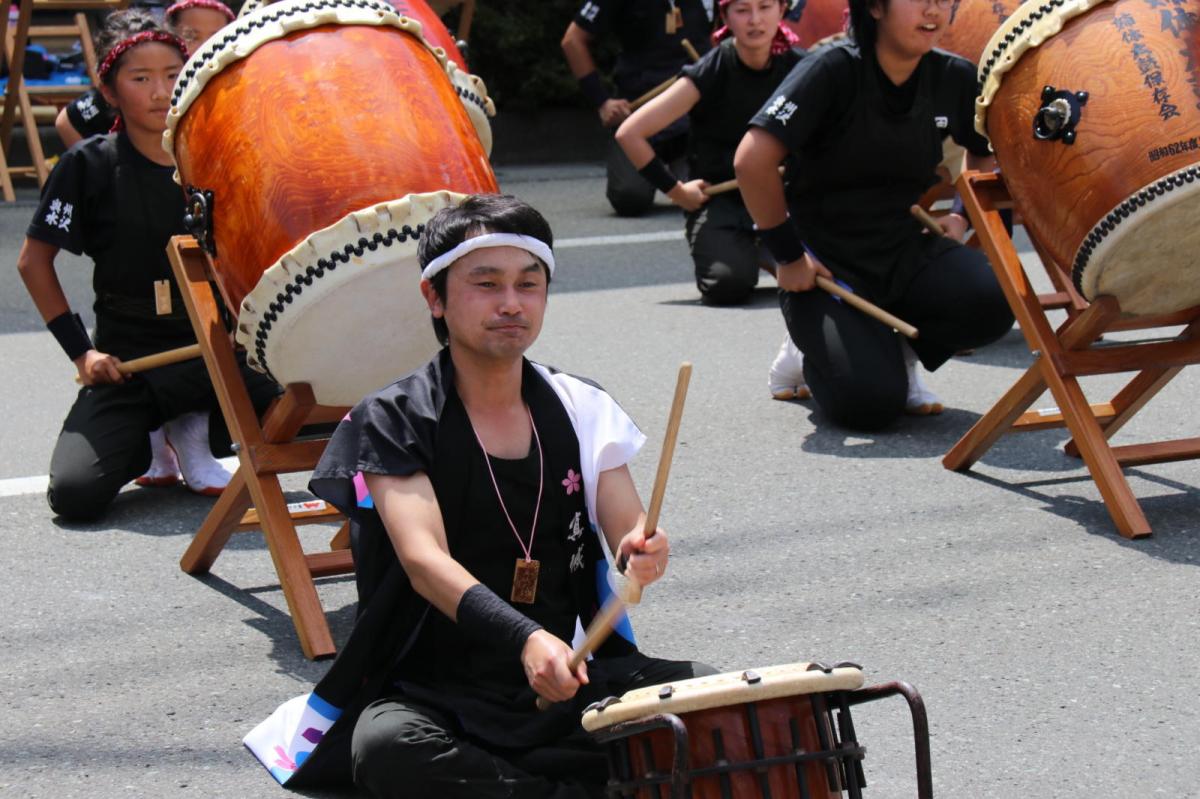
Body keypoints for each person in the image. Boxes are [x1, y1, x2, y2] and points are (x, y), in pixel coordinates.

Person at [245, 195, 713, 798]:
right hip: (436, 689)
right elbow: (423, 560)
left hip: (568, 677)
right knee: (389, 749)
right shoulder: (395, 417)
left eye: (529, 284)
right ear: (434, 297)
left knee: (723, 700)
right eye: (485, 284)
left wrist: (641, 551)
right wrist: (525, 638)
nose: (512, 303)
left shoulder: (579, 404)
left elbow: (628, 523)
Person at [16, 10, 279, 520]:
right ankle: (150, 437)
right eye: (141, 79)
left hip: (215, 353)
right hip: (129, 363)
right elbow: (33, 262)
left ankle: (193, 426)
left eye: (172, 77)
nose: (161, 92)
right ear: (110, 93)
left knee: (320, 420)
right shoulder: (88, 164)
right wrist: (82, 355)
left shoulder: (216, 156)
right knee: (74, 494)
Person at [734, 0, 1014, 429]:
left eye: (943, 0)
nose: (934, 11)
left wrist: (962, 215)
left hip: (901, 248)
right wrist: (788, 257)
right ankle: (804, 349)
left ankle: (894, 349)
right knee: (870, 404)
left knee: (992, 300)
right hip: (825, 266)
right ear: (876, 7)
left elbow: (982, 152)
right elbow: (752, 160)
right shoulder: (830, 69)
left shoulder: (952, 76)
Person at [616, 0, 802, 305]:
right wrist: (676, 191)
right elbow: (630, 132)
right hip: (721, 199)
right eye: (742, 10)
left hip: (783, 199)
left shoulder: (800, 69)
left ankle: (768, 249)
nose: (755, 20)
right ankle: (745, 250)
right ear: (725, 15)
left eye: (765, 7)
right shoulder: (712, 69)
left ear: (782, 10)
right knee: (727, 285)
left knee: (824, 278)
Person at [561, 0, 712, 217]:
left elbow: (723, 34)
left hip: (693, 115)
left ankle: (681, 173)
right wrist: (602, 101)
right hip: (639, 113)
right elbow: (572, 40)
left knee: (710, 191)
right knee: (629, 197)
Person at [55, 0, 234, 149]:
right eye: (191, 36)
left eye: (216, 36)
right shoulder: (130, 88)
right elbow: (67, 121)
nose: (205, 46)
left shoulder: (235, 86)